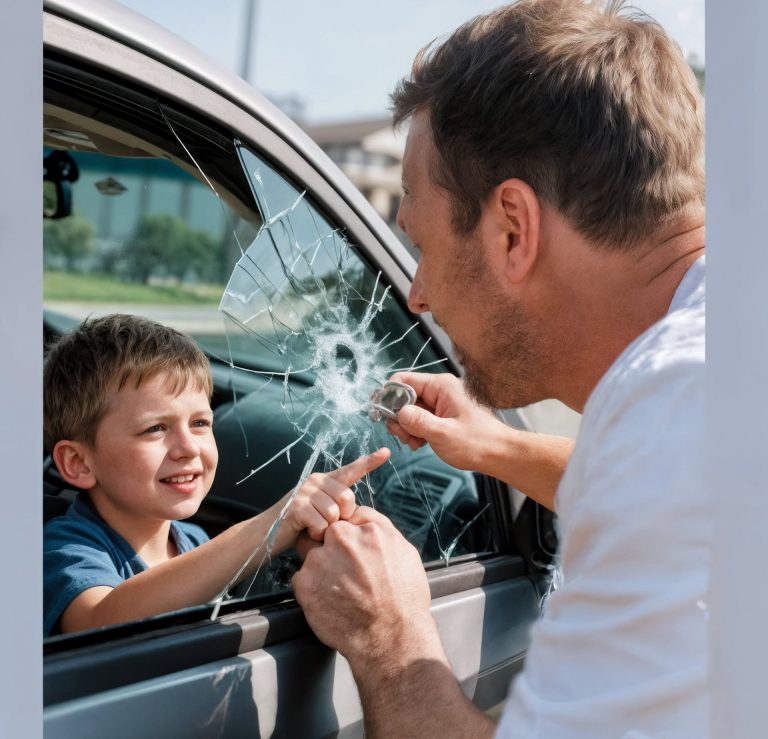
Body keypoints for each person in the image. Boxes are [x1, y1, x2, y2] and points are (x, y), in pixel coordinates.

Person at [291, 1, 707, 737]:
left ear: (513, 228)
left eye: (420, 244)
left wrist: (390, 643)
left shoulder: (677, 410)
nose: (416, 294)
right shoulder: (696, 388)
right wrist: (493, 447)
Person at [43, 313, 389, 637]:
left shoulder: (193, 541)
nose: (188, 448)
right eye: (154, 428)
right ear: (79, 463)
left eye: (199, 423)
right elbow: (100, 621)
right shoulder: (63, 551)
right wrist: (273, 526)